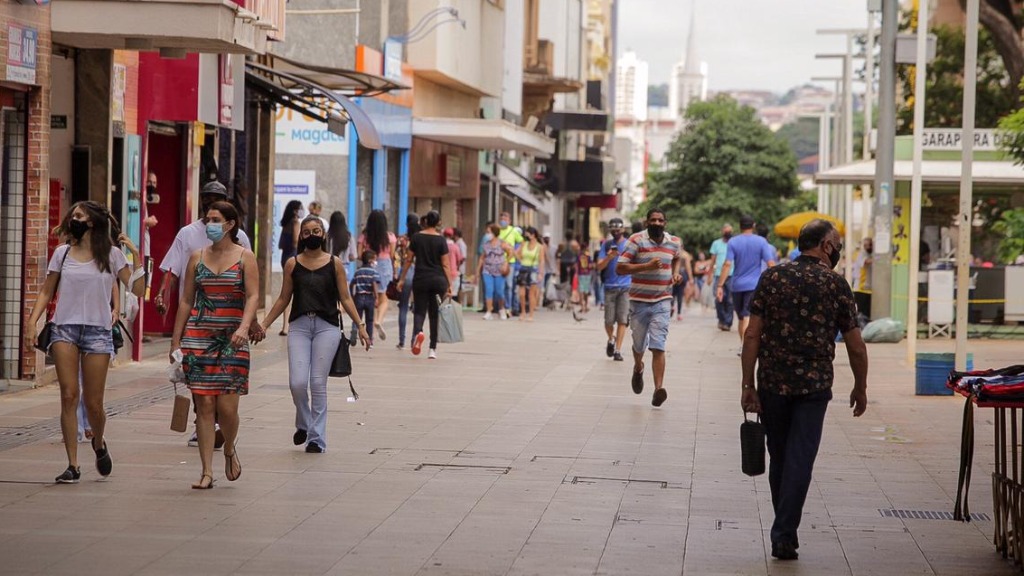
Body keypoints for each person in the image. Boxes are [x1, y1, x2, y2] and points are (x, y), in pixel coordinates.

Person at [740, 219, 868, 561]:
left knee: (780, 456)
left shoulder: (773, 278)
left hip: (772, 384)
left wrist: (748, 385)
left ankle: (784, 529)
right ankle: (784, 532)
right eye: (837, 243)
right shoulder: (836, 285)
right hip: (814, 387)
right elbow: (856, 345)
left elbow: (752, 335)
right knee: (801, 458)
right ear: (826, 246)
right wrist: (861, 386)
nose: (838, 249)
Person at [26, 201, 145, 483]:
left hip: (98, 333)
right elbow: (46, 291)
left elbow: (137, 289)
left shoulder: (113, 256)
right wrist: (33, 322)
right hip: (64, 329)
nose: (73, 219)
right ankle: (73, 465)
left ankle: (99, 442)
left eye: (79, 216)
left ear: (92, 222)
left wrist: (136, 256)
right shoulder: (62, 253)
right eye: (73, 216)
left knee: (94, 404)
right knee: (68, 395)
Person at [259, 216, 368, 454]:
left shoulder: (334, 263)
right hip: (299, 325)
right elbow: (283, 299)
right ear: (301, 237)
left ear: (324, 234)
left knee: (318, 383)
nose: (311, 235)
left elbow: (346, 298)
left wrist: (360, 324)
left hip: (326, 326)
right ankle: (305, 423)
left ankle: (316, 438)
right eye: (306, 232)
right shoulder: (292, 264)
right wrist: (264, 324)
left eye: (316, 231)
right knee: (297, 383)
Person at [155, 181, 252, 448]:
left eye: (216, 199)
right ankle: (204, 422)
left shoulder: (240, 238)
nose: (209, 203)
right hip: (196, 318)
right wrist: (163, 294)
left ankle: (221, 426)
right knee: (199, 379)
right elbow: (172, 269)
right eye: (206, 198)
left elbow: (250, 285)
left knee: (224, 385)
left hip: (229, 323)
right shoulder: (187, 234)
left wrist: (250, 322)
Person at [170, 202, 259, 489]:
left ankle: (229, 447)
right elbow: (186, 300)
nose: (209, 224)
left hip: (233, 339)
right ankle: (207, 471)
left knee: (228, 408)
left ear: (230, 224)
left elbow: (253, 296)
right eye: (207, 219)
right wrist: (176, 340)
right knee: (205, 404)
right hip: (199, 337)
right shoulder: (197, 257)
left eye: (216, 219)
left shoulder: (246, 257)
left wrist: (245, 326)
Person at [615, 208, 682, 407]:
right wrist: (646, 267)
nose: (657, 223)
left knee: (658, 344)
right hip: (638, 301)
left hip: (662, 300)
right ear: (646, 223)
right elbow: (620, 267)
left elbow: (677, 257)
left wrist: (676, 273)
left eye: (660, 220)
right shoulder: (636, 240)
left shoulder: (674, 242)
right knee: (638, 344)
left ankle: (658, 389)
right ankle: (638, 367)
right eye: (653, 220)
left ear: (665, 223)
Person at [397, 211, 452, 359]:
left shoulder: (416, 237)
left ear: (426, 221)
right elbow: (446, 264)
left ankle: (418, 333)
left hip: (421, 279)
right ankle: (432, 349)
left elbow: (408, 260)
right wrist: (449, 284)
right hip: (438, 281)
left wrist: (402, 279)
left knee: (420, 311)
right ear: (439, 222)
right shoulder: (441, 240)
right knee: (434, 314)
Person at [718, 216, 776, 345]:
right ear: (753, 225)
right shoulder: (761, 242)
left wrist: (720, 285)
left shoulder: (733, 242)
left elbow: (727, 264)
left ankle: (743, 346)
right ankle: (746, 347)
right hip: (754, 285)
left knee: (742, 317)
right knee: (746, 317)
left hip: (737, 285)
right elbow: (770, 263)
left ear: (740, 226)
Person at [359, 210, 397, 342]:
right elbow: (392, 256)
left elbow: (359, 255)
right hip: (385, 267)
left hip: (369, 267)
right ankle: (378, 320)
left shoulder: (364, 237)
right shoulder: (390, 237)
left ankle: (371, 325)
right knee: (383, 298)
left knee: (371, 296)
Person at [597, 218, 630, 362]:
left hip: (625, 287)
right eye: (613, 230)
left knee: (622, 320)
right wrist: (609, 257)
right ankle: (611, 338)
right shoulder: (606, 245)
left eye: (618, 230)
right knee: (608, 321)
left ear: (623, 230)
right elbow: (599, 267)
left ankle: (618, 349)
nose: (616, 232)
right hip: (610, 287)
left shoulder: (629, 245)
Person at [276, 200, 304, 336]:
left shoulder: (285, 224)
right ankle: (294, 324)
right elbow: (295, 241)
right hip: (294, 257)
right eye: (300, 208)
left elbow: (280, 245)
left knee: (285, 291)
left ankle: (285, 325)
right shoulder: (295, 223)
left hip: (284, 257)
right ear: (295, 210)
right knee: (297, 291)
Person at [476, 224, 513, 320]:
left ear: (494, 233)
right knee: (489, 290)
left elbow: (510, 252)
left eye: (489, 232)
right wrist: (477, 271)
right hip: (487, 270)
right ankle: (489, 311)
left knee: (499, 291)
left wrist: (506, 263)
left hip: (499, 270)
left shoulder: (502, 243)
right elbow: (482, 257)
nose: (487, 234)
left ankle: (501, 308)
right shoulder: (486, 244)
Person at [395, 214, 420, 349]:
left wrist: (398, 276)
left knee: (403, 307)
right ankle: (414, 338)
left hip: (405, 273)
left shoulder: (402, 239)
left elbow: (397, 258)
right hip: (419, 274)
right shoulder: (421, 238)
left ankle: (401, 340)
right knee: (418, 309)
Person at [350, 250, 381, 348]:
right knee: (369, 320)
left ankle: (354, 330)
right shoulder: (373, 272)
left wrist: (352, 295)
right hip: (369, 298)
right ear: (370, 260)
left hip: (358, 297)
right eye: (374, 260)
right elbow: (374, 284)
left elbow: (352, 284)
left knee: (357, 318)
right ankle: (370, 340)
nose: (375, 262)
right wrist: (376, 297)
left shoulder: (358, 271)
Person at [515, 227, 546, 321]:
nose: (526, 236)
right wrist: (520, 260)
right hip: (523, 268)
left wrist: (541, 273)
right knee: (521, 293)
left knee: (531, 294)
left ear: (533, 235)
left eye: (528, 234)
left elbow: (541, 261)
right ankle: (523, 312)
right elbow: (516, 253)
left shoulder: (540, 246)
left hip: (533, 270)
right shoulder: (524, 244)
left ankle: (531, 314)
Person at [708, 224, 734, 331]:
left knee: (730, 300)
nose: (728, 233)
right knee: (719, 299)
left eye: (730, 231)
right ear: (722, 231)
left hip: (731, 275)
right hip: (718, 274)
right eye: (726, 231)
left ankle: (728, 323)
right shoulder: (716, 243)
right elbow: (712, 260)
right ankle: (721, 319)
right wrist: (709, 275)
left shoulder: (734, 243)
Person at [497, 212, 524, 313]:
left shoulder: (513, 231)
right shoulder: (498, 231)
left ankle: (508, 307)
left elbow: (522, 242)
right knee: (500, 285)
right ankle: (500, 306)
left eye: (505, 218)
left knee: (509, 285)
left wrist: (516, 252)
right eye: (502, 218)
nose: (503, 220)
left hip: (510, 262)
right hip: (498, 261)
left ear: (509, 221)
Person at [851, 237, 873, 319]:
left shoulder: (871, 255)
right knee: (862, 315)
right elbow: (867, 262)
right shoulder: (861, 254)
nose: (868, 247)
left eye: (870, 245)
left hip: (869, 290)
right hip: (860, 289)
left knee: (867, 314)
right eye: (865, 245)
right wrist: (881, 257)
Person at [443, 228, 465, 300]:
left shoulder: (442, 245)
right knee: (453, 294)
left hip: (442, 273)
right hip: (453, 273)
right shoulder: (455, 247)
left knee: (443, 294)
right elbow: (459, 260)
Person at [576, 249, 594, 314]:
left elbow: (577, 265)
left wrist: (576, 273)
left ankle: (582, 307)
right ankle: (586, 306)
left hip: (581, 274)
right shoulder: (588, 256)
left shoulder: (579, 256)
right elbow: (591, 265)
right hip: (587, 275)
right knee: (586, 291)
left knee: (581, 291)